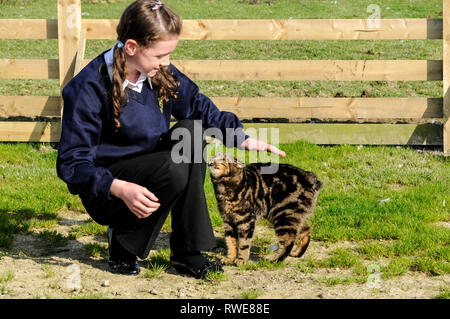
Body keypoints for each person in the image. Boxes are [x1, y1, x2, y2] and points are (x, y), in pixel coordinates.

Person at [56, 0, 285, 278]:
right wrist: (119, 188)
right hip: (109, 189)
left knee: (192, 132)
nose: (166, 62)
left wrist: (241, 138)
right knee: (174, 168)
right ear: (131, 47)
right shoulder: (87, 87)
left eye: (169, 54)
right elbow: (71, 163)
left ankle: (187, 251)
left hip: (153, 168)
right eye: (160, 55)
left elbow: (196, 105)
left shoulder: (157, 71)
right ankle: (123, 244)